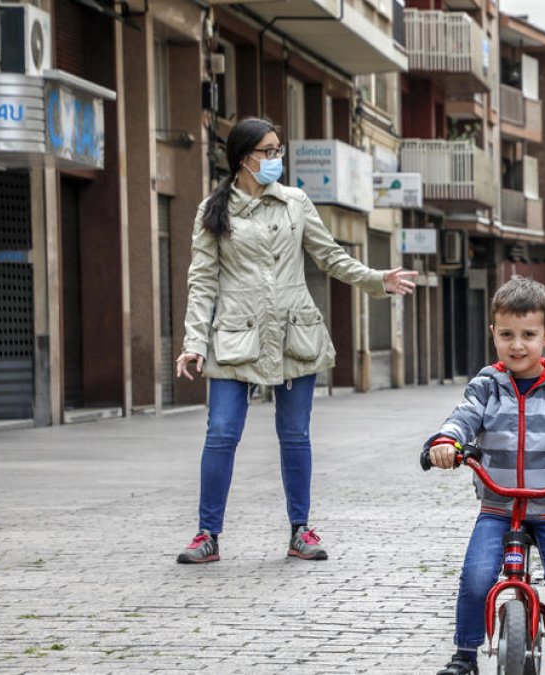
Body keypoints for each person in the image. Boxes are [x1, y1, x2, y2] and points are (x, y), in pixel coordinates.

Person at [173, 117, 417, 564]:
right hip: (234, 338)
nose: (275, 159)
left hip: (294, 335)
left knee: (295, 435)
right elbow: (202, 281)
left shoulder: (295, 203)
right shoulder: (214, 210)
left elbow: (331, 258)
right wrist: (194, 342)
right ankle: (207, 535)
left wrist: (378, 279)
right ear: (244, 158)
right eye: (268, 152)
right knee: (221, 433)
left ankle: (300, 531)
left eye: (278, 150)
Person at [426, 277, 545, 675]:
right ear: (493, 334)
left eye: (528, 335)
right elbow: (463, 418)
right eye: (507, 335)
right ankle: (464, 654)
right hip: (497, 505)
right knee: (476, 576)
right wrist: (446, 442)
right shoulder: (486, 385)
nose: (517, 344)